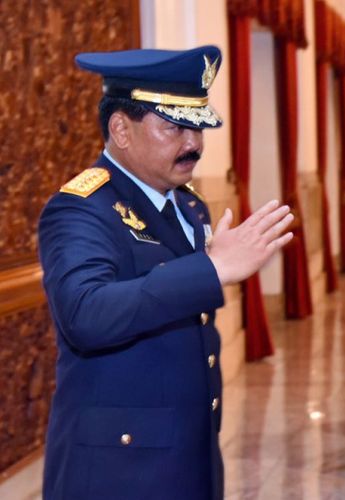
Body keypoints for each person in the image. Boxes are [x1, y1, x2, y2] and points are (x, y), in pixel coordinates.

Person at [38, 46, 294, 500]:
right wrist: (211, 268)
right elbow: (84, 314)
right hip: (120, 470)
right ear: (121, 129)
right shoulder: (80, 209)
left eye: (197, 126)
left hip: (187, 456)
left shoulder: (188, 206)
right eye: (173, 126)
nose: (193, 143)